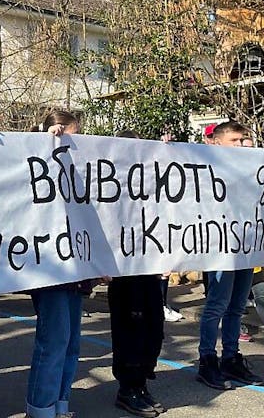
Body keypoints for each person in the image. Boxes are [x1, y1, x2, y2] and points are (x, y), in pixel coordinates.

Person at [22, 111, 90, 418]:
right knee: (54, 342)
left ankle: (61, 402)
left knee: (72, 343)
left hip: (77, 270)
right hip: (49, 269)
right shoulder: (35, 160)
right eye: (66, 135)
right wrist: (47, 140)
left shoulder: (84, 168)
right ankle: (41, 408)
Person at [196, 121, 263, 390]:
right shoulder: (206, 166)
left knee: (237, 307)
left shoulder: (250, 168)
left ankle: (231, 358)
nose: (240, 144)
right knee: (216, 306)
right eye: (234, 140)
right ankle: (207, 360)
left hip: (246, 247)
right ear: (218, 142)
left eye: (243, 139)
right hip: (220, 249)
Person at [107, 128, 167, 417]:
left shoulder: (152, 182)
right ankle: (127, 387)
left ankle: (142, 381)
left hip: (149, 269)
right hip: (123, 272)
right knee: (130, 329)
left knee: (154, 328)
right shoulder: (109, 184)